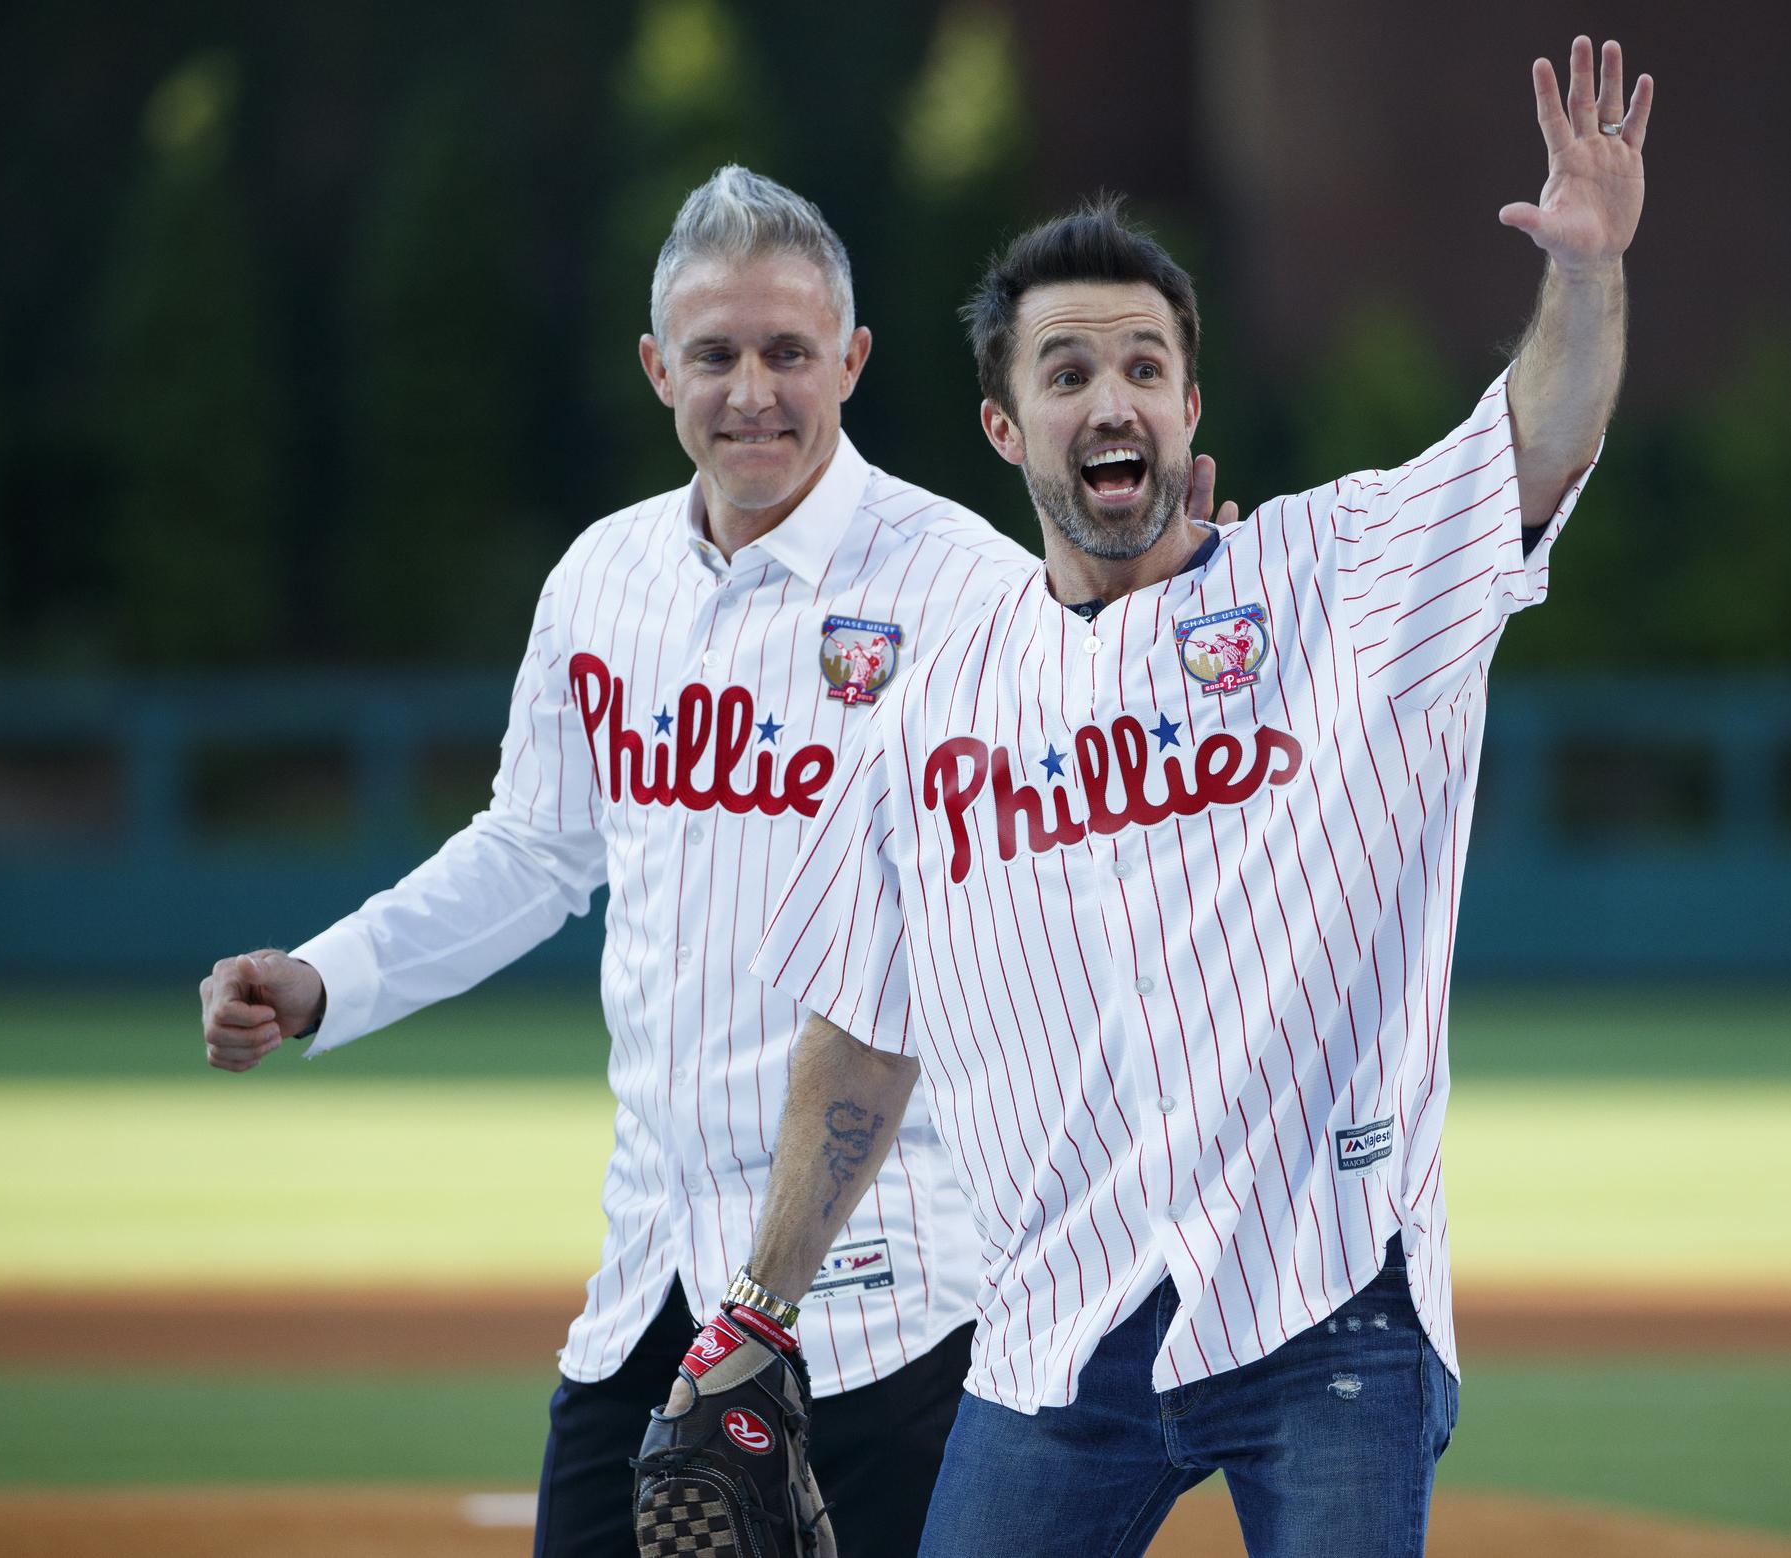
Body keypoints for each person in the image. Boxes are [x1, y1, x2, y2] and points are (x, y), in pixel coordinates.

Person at [708, 36, 1654, 1558]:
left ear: (1188, 401)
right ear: (1007, 428)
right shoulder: (934, 702)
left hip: (1324, 1301)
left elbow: (1538, 439)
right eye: (1068, 371)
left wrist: (1591, 270)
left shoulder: (1338, 580)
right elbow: (864, 1027)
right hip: (1057, 1331)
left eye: (1144, 365)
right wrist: (761, 1304)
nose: (1112, 399)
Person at [195, 166, 1060, 1558]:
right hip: (648, 1279)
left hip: (885, 1301)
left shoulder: (964, 586)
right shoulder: (602, 581)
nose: (754, 390)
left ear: (854, 358)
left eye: (789, 351)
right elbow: (533, 848)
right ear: (659, 368)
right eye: (715, 354)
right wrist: (322, 976)